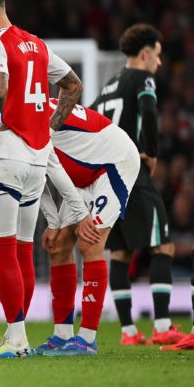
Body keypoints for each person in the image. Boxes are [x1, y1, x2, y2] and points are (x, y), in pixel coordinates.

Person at [0, 83, 137, 356]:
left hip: (112, 162)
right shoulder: (10, 122)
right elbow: (35, 172)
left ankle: (86, 339)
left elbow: (46, 163)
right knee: (58, 245)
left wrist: (75, 216)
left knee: (90, 242)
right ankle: (62, 334)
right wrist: (54, 222)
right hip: (78, 176)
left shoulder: (26, 117)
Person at [0, 0, 82, 358]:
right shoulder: (37, 45)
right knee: (24, 251)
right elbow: (72, 86)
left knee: (3, 250)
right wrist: (48, 127)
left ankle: (17, 340)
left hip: (6, 157)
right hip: (36, 158)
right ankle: (18, 336)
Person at [92, 24, 184, 347]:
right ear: (145, 53)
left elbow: (90, 124)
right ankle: (162, 325)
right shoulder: (142, 78)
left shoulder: (106, 88)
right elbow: (148, 110)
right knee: (163, 244)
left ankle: (129, 331)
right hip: (134, 170)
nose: (159, 64)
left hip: (107, 177)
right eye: (157, 56)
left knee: (120, 251)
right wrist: (152, 153)